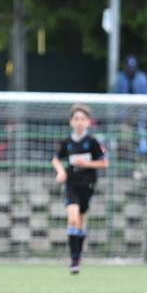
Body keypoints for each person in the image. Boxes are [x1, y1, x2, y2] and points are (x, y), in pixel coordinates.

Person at [51, 104, 109, 274]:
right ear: (71, 122)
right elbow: (55, 159)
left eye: (82, 119)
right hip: (71, 185)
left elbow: (104, 163)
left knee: (81, 221)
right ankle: (74, 259)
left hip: (88, 186)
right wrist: (61, 171)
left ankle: (78, 254)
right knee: (73, 220)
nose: (79, 122)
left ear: (88, 122)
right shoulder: (66, 143)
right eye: (76, 119)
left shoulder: (92, 142)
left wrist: (86, 163)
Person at [114, 54, 147, 155]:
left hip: (140, 112)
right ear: (125, 67)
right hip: (125, 114)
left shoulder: (142, 78)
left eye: (132, 67)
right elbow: (117, 99)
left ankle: (143, 149)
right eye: (129, 67)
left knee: (141, 129)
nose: (130, 70)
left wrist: (139, 104)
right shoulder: (120, 79)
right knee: (125, 133)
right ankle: (125, 152)